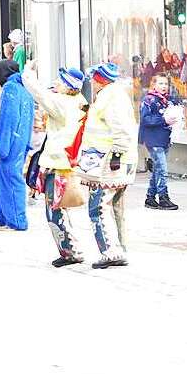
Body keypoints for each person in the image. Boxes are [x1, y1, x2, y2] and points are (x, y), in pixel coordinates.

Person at [21, 65, 87, 265]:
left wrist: (28, 73)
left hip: (58, 163)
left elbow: (39, 94)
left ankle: (70, 251)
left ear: (68, 86)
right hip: (66, 161)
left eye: (60, 81)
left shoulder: (62, 104)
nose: (55, 83)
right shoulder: (80, 102)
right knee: (59, 208)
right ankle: (70, 248)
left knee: (54, 210)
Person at [78, 63, 139, 268]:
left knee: (98, 206)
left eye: (94, 79)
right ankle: (120, 247)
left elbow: (120, 128)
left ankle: (111, 252)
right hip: (115, 160)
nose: (92, 83)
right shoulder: (113, 94)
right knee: (115, 208)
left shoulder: (111, 97)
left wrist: (117, 154)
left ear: (99, 79)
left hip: (110, 162)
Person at [0, 59, 33, 231]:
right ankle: (1, 215)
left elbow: (7, 119)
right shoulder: (24, 88)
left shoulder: (10, 89)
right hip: (21, 140)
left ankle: (17, 219)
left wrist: (1, 146)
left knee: (10, 178)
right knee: (5, 178)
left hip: (11, 142)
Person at [140, 73, 180, 210]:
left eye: (166, 84)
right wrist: (163, 120)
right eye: (161, 83)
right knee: (162, 169)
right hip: (153, 139)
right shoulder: (149, 100)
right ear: (154, 85)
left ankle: (150, 198)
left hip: (164, 138)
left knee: (157, 169)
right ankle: (163, 197)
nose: (164, 86)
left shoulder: (167, 100)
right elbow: (145, 120)